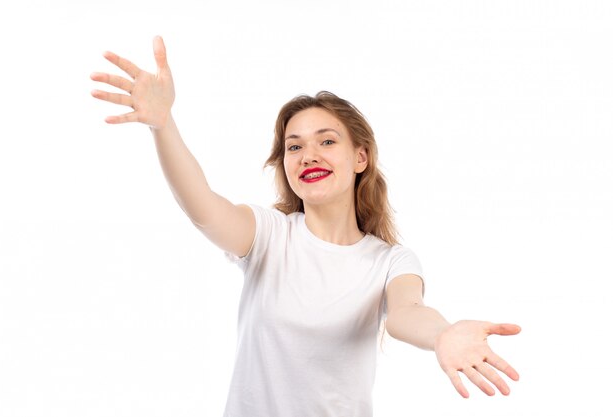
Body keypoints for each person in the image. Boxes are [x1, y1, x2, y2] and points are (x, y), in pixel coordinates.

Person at [91, 36, 521, 416]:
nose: (308, 154)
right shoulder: (269, 236)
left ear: (360, 158)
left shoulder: (391, 260)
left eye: (327, 141)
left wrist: (444, 334)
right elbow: (203, 208)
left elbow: (406, 314)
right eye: (294, 146)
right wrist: (163, 125)